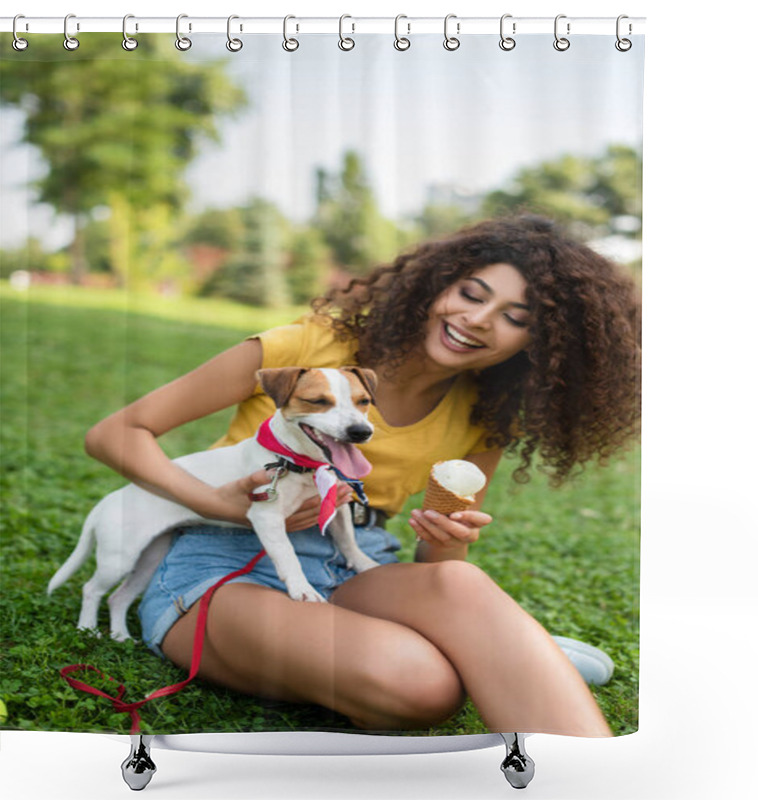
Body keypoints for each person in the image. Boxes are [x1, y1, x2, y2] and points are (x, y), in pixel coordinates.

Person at [85, 214, 640, 738]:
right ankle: (511, 655)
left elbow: (435, 569)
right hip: (225, 559)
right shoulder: (303, 349)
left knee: (461, 582)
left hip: (356, 556)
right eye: (471, 294)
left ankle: (517, 668)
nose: (477, 320)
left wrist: (448, 541)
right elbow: (116, 433)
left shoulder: (486, 415)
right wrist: (214, 504)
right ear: (437, 285)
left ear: (537, 345)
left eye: (516, 318)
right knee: (422, 685)